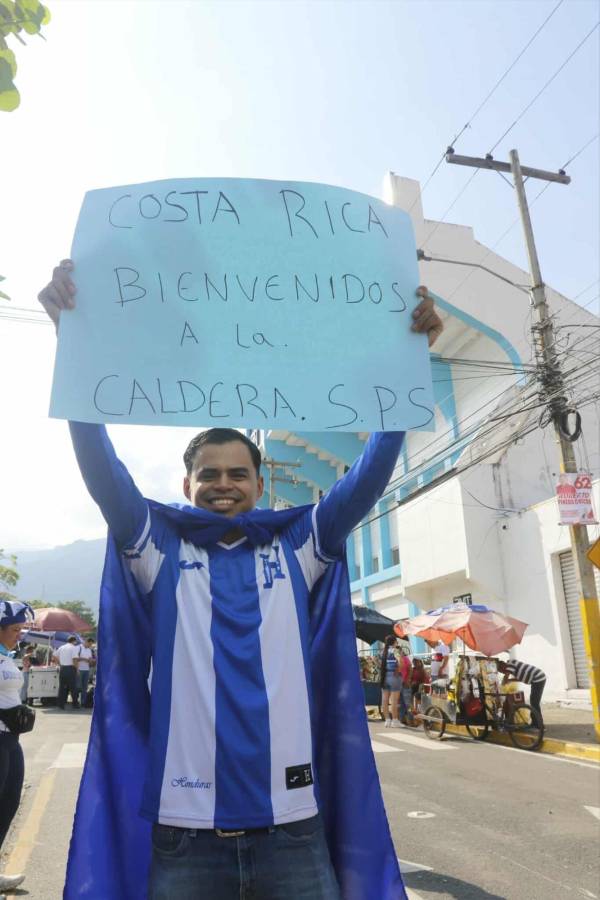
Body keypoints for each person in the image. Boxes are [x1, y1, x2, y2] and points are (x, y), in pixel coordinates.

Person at [39, 259, 443, 900]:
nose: (222, 484)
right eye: (209, 474)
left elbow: (368, 474)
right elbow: (100, 465)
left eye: (237, 474)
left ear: (260, 484)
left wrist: (408, 363)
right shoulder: (155, 545)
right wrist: (73, 342)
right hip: (183, 834)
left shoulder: (302, 544)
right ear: (187, 484)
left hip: (293, 831)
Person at [0, 600, 35, 894]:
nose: (19, 633)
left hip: (11, 741)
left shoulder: (8, 657)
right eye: (15, 628)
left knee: (9, 804)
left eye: (21, 628)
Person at [379, 635, 402, 728]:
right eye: (396, 641)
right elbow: (400, 661)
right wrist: (398, 670)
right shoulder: (396, 650)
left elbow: (378, 663)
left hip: (385, 676)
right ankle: (395, 721)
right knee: (394, 701)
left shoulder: (383, 652)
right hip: (394, 676)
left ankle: (387, 720)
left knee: (384, 700)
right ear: (394, 642)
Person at [53, 636, 80, 709]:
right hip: (71, 668)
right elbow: (74, 659)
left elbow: (54, 656)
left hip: (63, 668)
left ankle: (61, 704)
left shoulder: (62, 647)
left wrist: (60, 663)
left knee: (62, 687)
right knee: (73, 687)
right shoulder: (74, 648)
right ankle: (75, 704)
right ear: (74, 641)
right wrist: (77, 669)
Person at [75, 638, 96, 707]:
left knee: (85, 687)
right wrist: (84, 659)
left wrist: (92, 660)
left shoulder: (89, 650)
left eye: (91, 644)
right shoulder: (78, 647)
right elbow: (75, 658)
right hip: (79, 669)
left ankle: (83, 702)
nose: (90, 645)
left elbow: (90, 659)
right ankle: (76, 701)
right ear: (86, 642)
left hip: (86, 670)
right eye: (89, 644)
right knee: (78, 687)